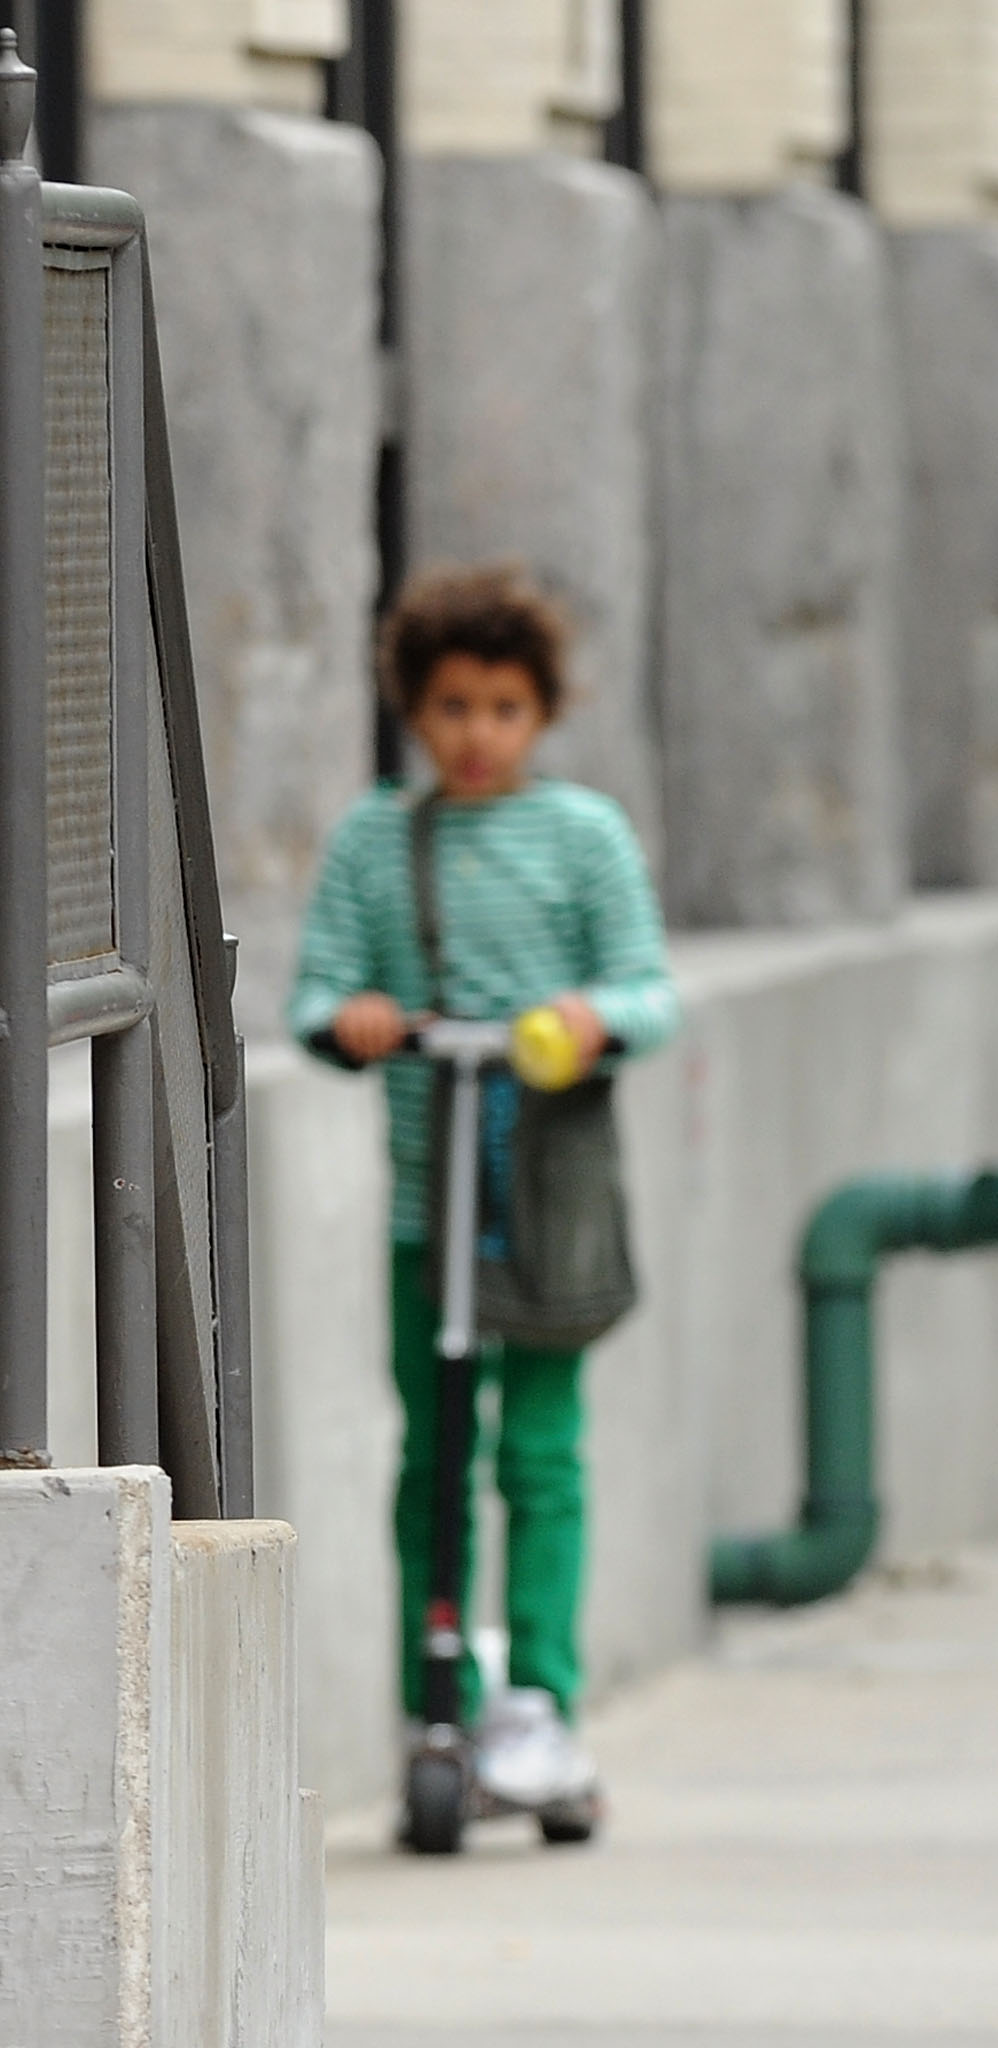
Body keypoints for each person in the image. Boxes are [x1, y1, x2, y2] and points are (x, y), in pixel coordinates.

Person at [289, 565, 678, 1821]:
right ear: (414, 709)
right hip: (427, 1208)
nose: (476, 734)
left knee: (543, 1454)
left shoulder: (583, 837)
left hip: (544, 1200)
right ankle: (436, 1696)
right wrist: (351, 1018)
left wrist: (583, 1015)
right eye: (452, 706)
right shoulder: (374, 840)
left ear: (543, 714)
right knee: (434, 1457)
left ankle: (544, 1703)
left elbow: (646, 991)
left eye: (505, 708)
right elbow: (318, 992)